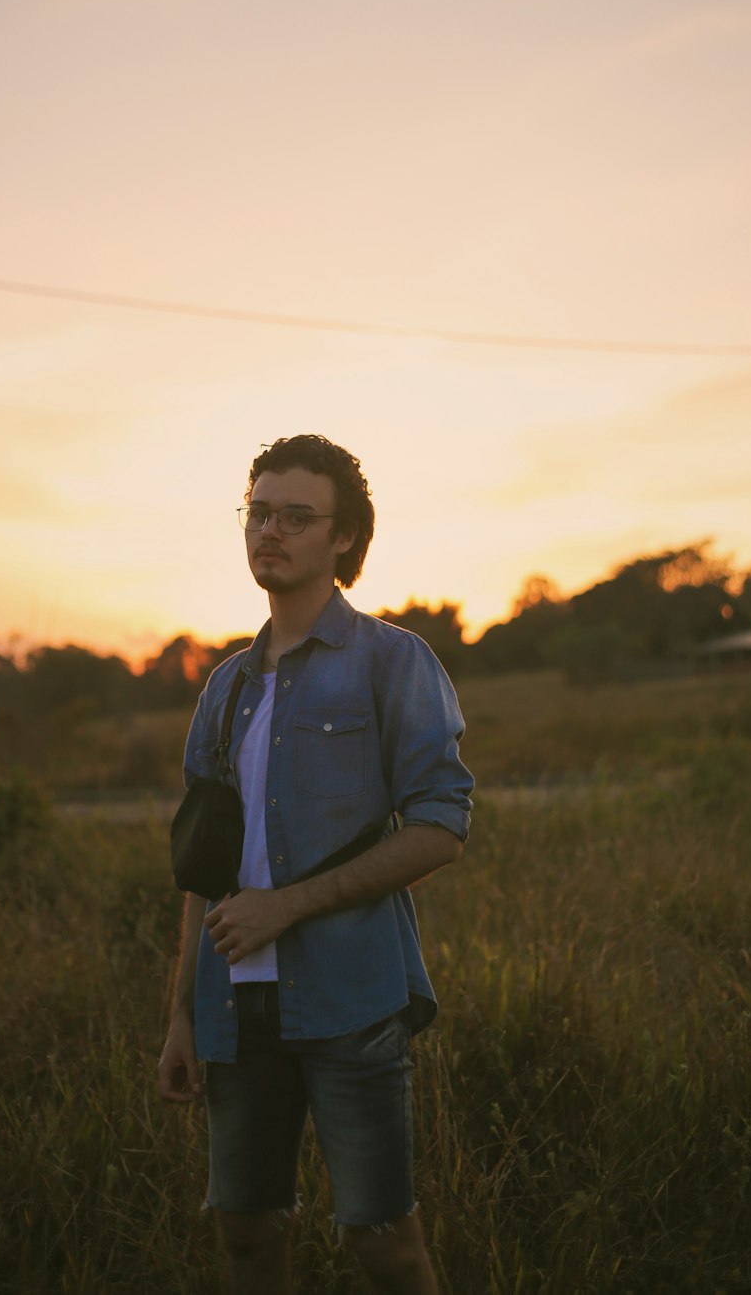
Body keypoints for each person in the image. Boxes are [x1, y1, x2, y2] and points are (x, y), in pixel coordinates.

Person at [158, 434, 473, 1295]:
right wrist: (183, 1016)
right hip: (234, 1009)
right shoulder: (224, 688)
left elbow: (442, 827)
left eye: (297, 516)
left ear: (344, 539)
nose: (271, 531)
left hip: (350, 1002)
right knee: (246, 1238)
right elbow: (203, 870)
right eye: (259, 512)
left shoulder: (392, 662)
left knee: (383, 1244)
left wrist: (287, 906)